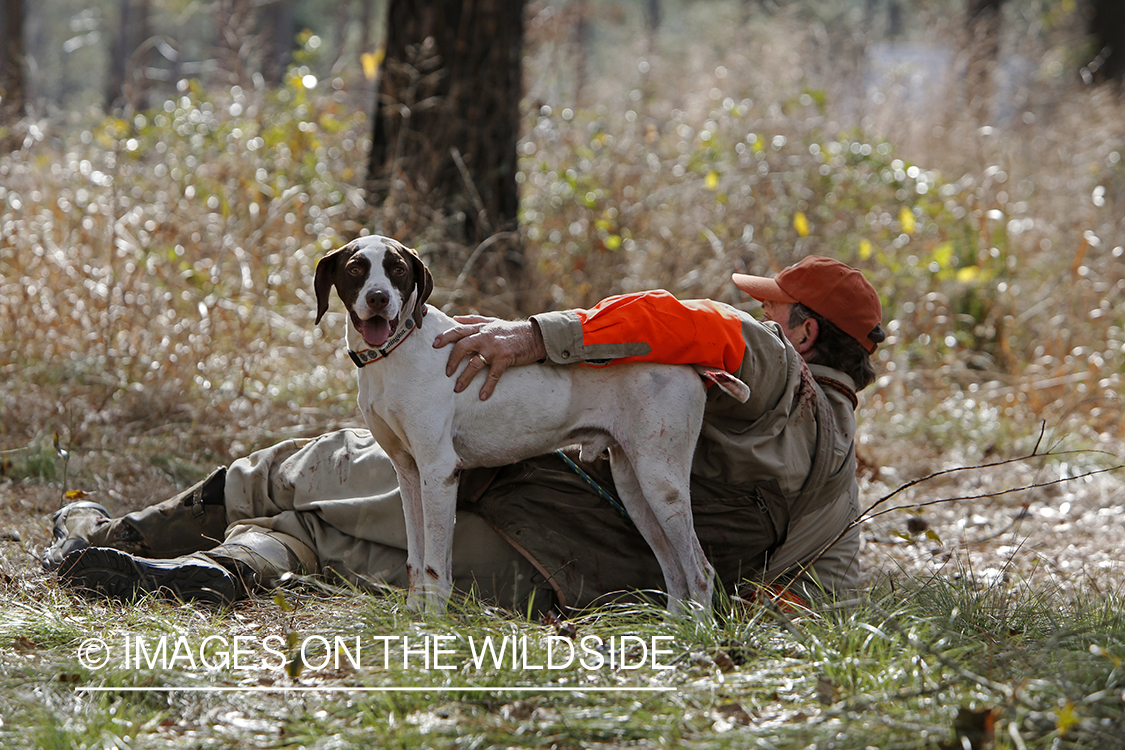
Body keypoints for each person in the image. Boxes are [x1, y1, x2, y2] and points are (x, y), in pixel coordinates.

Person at [48, 256, 885, 614]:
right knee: (346, 548)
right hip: (583, 581)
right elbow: (831, 591)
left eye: (771, 305)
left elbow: (679, 317)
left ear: (801, 333)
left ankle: (131, 542)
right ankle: (222, 573)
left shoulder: (775, 363)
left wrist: (534, 336)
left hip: (544, 505)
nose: (758, 313)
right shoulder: (836, 462)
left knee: (312, 474)